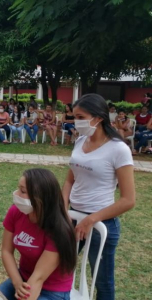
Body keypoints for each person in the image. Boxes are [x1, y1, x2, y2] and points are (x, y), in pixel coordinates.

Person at [62, 93, 135, 300]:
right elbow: (69, 180)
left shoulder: (118, 149)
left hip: (100, 222)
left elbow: (128, 200)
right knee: (57, 267)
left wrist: (91, 219)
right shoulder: (80, 141)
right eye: (74, 116)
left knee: (102, 281)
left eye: (80, 117)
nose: (76, 121)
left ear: (98, 118)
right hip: (73, 218)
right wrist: (62, 208)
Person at [0, 168, 77, 300]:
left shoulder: (59, 231)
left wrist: (23, 291)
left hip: (52, 289)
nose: (16, 194)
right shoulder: (15, 212)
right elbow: (6, 251)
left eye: (23, 191)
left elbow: (38, 278)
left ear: (40, 198)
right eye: (19, 188)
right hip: (23, 277)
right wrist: (17, 282)